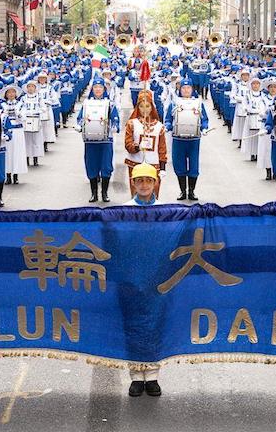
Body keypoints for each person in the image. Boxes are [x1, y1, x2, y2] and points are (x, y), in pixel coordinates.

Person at [122, 162, 162, 397]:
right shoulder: (124, 211)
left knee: (155, 325)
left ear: (155, 182)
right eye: (140, 181)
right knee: (134, 325)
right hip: (131, 278)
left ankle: (153, 375)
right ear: (133, 183)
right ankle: (136, 375)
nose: (144, 185)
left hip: (157, 278)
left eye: (149, 180)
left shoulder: (166, 211)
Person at [164, 77, 209, 201]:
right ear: (180, 89)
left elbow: (204, 119)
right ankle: (183, 191)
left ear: (192, 89)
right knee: (179, 165)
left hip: (194, 139)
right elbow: (168, 119)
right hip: (178, 139)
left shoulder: (198, 103)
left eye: (188, 88)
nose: (186, 90)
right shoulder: (174, 103)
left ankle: (192, 191)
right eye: (183, 88)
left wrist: (204, 128)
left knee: (194, 165)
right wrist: (167, 127)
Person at [76, 78, 121, 203]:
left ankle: (104, 193)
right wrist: (79, 125)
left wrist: (115, 126)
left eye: (100, 87)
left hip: (106, 140)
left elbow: (115, 118)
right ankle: (94, 193)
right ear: (92, 89)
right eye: (95, 87)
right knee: (92, 165)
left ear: (104, 89)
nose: (98, 89)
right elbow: (80, 118)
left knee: (106, 165)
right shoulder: (86, 103)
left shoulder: (110, 104)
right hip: (91, 140)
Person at [123, 90, 167, 199]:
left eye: (147, 106)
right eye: (141, 106)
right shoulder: (131, 124)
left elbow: (162, 149)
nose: (145, 110)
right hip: (135, 163)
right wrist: (137, 147)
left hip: (153, 164)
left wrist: (162, 168)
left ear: (152, 107)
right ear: (138, 107)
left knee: (153, 195)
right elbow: (128, 144)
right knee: (136, 194)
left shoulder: (159, 126)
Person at [0, 83, 28, 184]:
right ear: (6, 94)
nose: (11, 94)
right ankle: (8, 175)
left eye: (13, 92)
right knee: (7, 152)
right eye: (9, 92)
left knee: (17, 152)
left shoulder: (20, 104)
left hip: (18, 130)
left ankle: (16, 175)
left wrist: (18, 113)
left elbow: (24, 117)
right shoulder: (3, 105)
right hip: (7, 130)